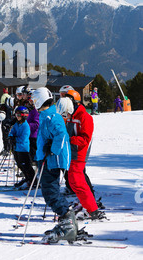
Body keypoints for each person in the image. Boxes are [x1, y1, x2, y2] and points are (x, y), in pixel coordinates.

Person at [31, 87, 78, 243]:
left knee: (50, 192)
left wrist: (52, 149)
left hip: (53, 160)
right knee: (49, 192)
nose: (32, 104)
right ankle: (67, 219)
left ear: (39, 100)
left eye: (33, 101)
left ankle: (67, 220)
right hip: (46, 159)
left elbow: (61, 136)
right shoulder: (46, 116)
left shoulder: (52, 117)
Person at [65, 89, 105, 220]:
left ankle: (92, 210)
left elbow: (85, 139)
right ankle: (86, 205)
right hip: (71, 152)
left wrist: (68, 139)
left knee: (78, 182)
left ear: (74, 102)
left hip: (79, 154)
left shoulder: (84, 117)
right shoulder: (71, 115)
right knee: (73, 182)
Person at [8, 106, 36, 189]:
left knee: (26, 165)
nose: (17, 117)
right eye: (16, 115)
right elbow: (12, 132)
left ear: (24, 115)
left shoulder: (26, 126)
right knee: (20, 165)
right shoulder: (17, 124)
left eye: (19, 115)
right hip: (17, 148)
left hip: (23, 149)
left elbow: (23, 138)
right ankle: (27, 179)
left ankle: (33, 181)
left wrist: (15, 139)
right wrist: (11, 136)